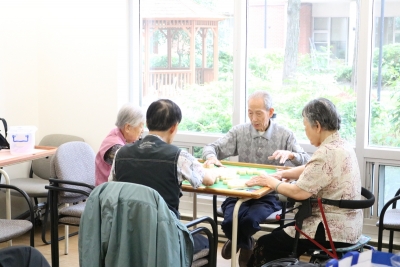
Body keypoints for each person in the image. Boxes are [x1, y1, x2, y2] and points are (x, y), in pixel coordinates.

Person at [245, 98, 362, 266]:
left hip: (329, 231)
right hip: (350, 226)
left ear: (317, 126)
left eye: (306, 127)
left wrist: (271, 182)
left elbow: (299, 192)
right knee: (279, 236)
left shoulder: (326, 152)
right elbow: (312, 167)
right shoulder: (341, 145)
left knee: (267, 243)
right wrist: (284, 174)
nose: (306, 132)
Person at [202, 91, 310, 266]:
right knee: (229, 222)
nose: (253, 118)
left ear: (271, 111)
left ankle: (239, 243)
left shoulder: (285, 134)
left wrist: (290, 155)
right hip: (240, 191)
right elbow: (211, 147)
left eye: (258, 113)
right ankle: (245, 244)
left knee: (250, 220)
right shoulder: (240, 132)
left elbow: (306, 160)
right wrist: (210, 158)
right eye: (250, 112)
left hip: (270, 195)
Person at [110, 99, 218, 253]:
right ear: (174, 127)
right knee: (207, 241)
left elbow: (111, 187)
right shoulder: (179, 157)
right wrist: (212, 170)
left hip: (128, 239)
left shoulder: (121, 154)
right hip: (166, 240)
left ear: (147, 123)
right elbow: (206, 180)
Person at [95, 103, 145, 186]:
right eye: (141, 126)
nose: (142, 130)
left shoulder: (120, 133)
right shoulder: (114, 147)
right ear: (128, 127)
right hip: (107, 193)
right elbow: (132, 170)